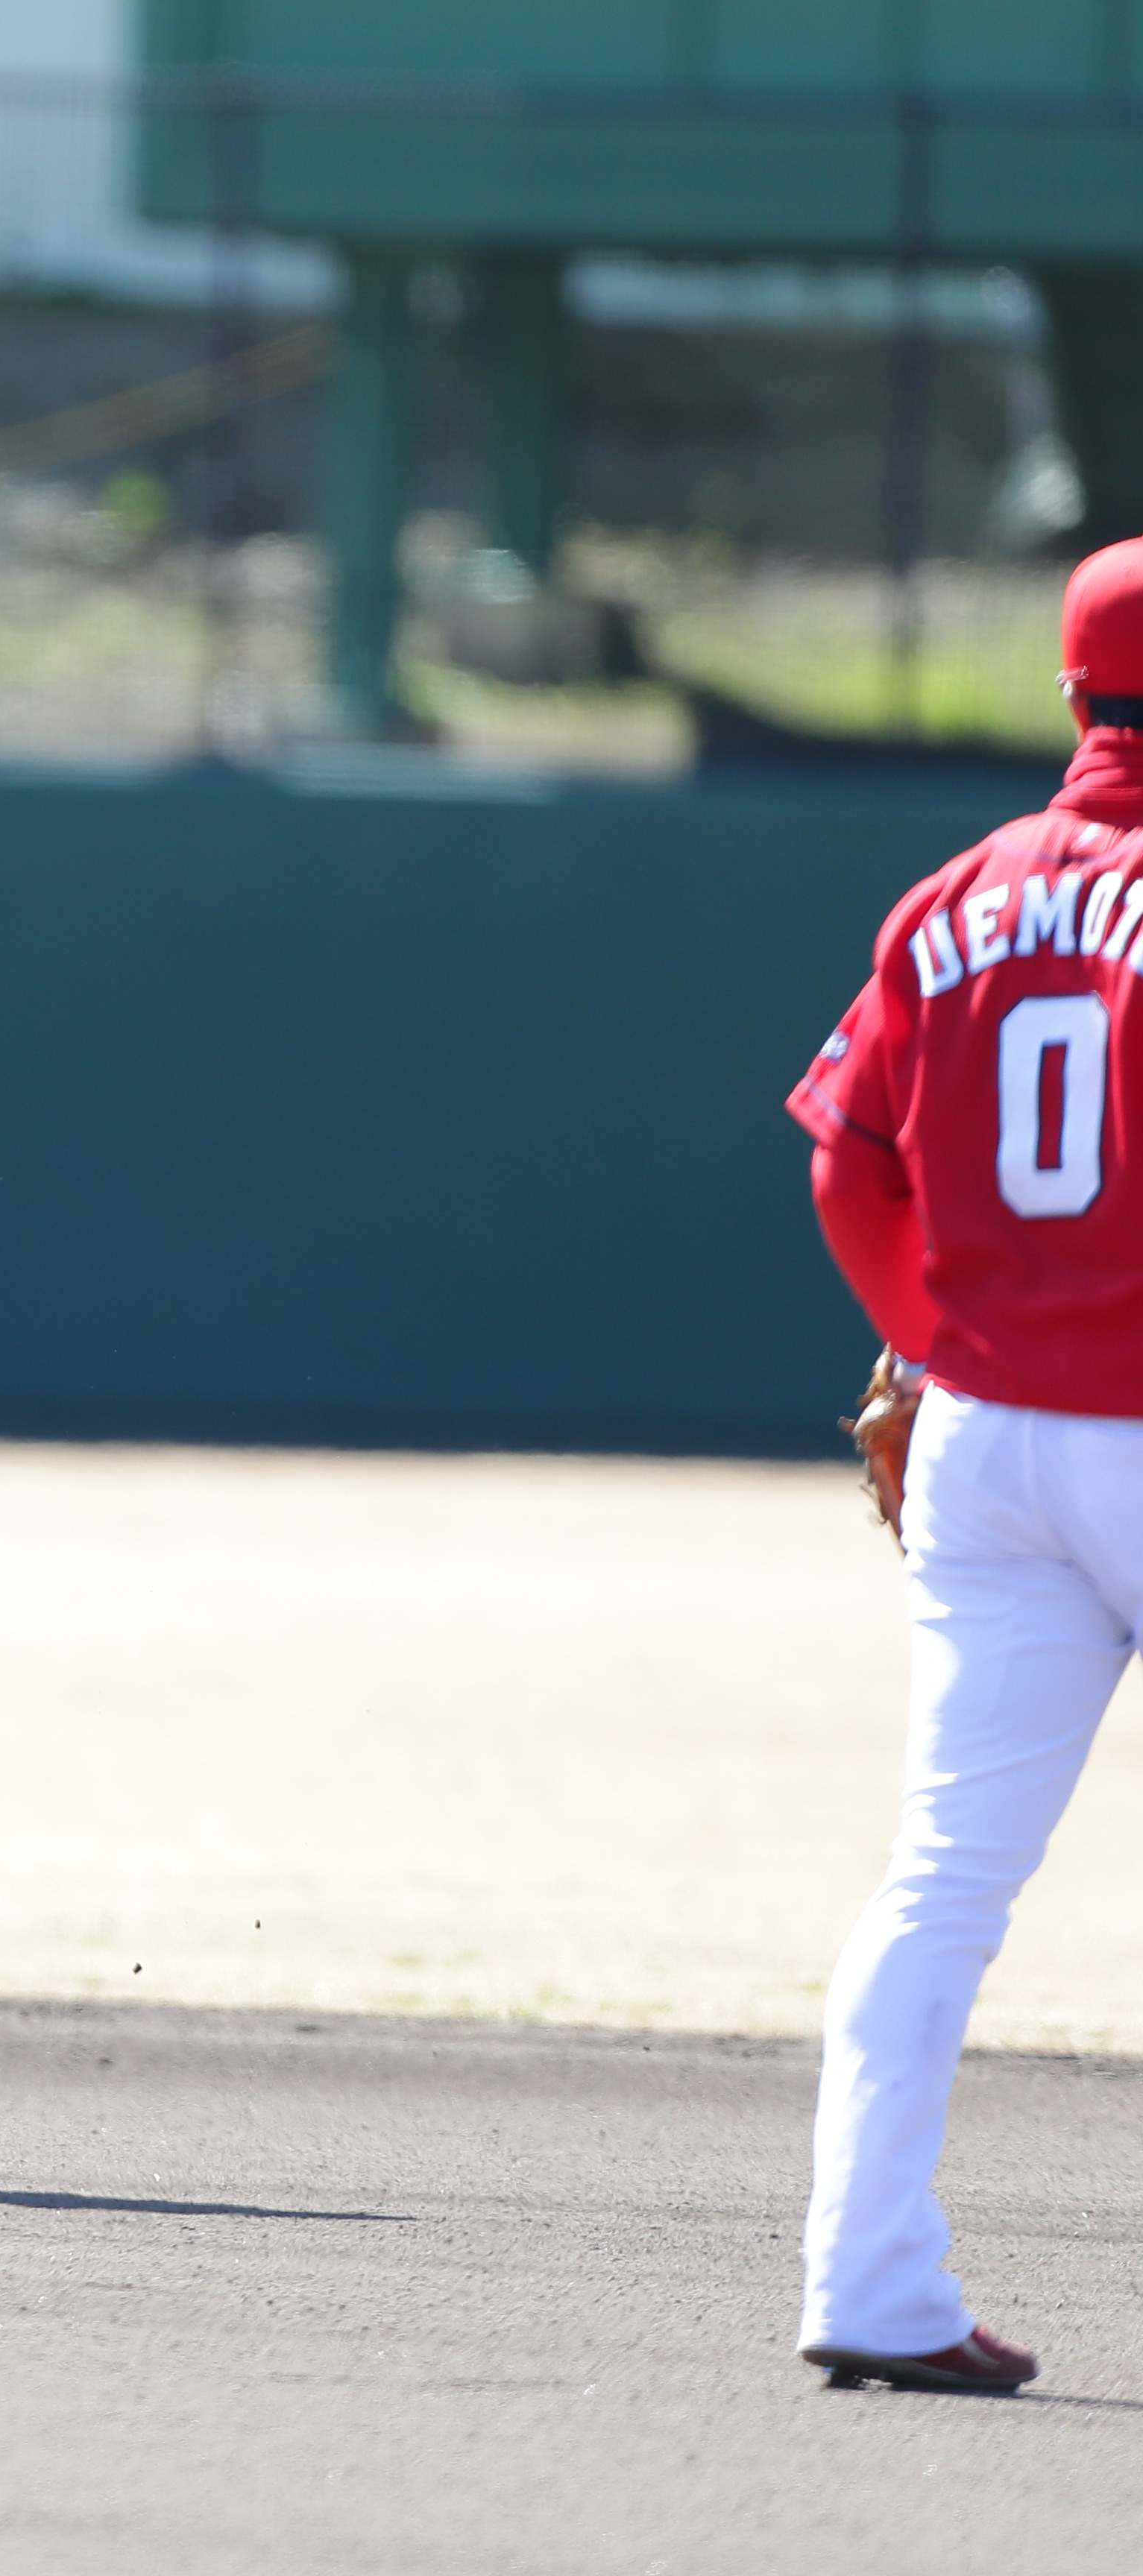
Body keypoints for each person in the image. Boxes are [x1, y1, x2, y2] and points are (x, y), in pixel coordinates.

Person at [784, 534, 1143, 2395]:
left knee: (935, 1879)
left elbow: (847, 1160)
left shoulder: (955, 895)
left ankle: (868, 2278)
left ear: (1075, 695)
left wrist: (933, 1331)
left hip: (989, 1438)